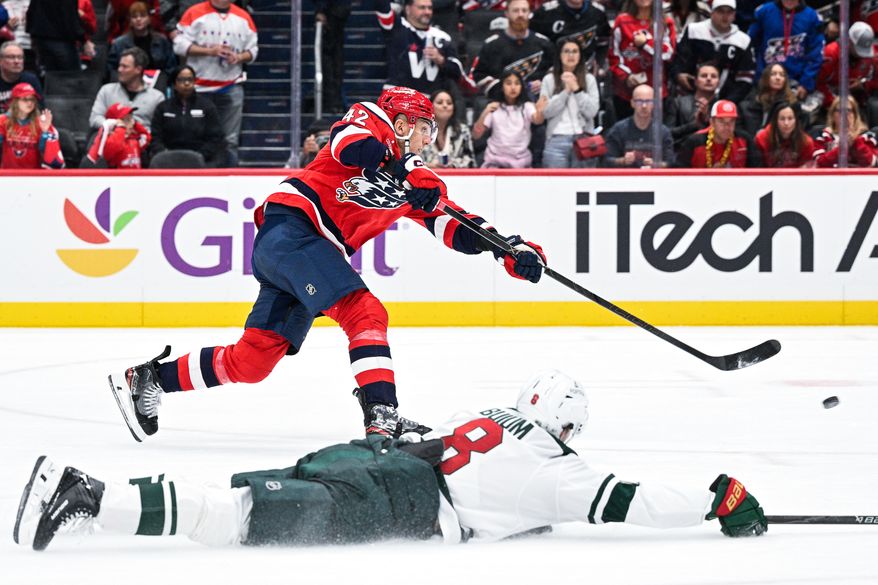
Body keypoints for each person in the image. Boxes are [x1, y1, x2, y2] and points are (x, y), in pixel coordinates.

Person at [106, 86, 547, 442]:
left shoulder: (415, 184)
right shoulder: (368, 120)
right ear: (401, 122)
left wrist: (510, 249)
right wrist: (405, 170)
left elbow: (455, 226)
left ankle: (152, 378)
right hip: (292, 229)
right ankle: (382, 414)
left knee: (253, 361)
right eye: (424, 130)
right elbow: (348, 144)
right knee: (365, 312)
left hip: (302, 253)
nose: (428, 140)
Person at [15, 370, 768, 551]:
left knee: (239, 497)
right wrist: (717, 496)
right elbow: (630, 499)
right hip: (400, 496)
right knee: (239, 514)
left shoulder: (486, 413)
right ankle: (90, 494)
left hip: (372, 456)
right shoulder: (559, 468)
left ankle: (98, 495)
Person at [173, 0, 259, 167]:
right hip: (198, 88)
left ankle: (230, 175)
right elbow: (179, 45)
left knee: (230, 139)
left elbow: (253, 50)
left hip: (231, 85)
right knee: (196, 136)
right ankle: (197, 174)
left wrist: (239, 57)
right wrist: (209, 51)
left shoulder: (244, 17)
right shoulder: (194, 12)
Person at [376, 0, 473, 97]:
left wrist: (441, 60)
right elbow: (382, 8)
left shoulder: (442, 37)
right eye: (422, 8)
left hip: (429, 100)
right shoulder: (396, 27)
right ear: (408, 9)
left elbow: (457, 73)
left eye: (430, 8)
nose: (427, 12)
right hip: (398, 97)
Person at [671, 0, 755, 104]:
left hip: (726, 101)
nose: (725, 16)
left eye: (729, 12)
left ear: (734, 15)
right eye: (720, 11)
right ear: (712, 13)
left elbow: (745, 77)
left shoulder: (743, 40)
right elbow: (679, 58)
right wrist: (678, 74)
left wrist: (729, 101)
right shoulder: (694, 30)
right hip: (690, 96)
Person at [470, 0, 556, 100]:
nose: (520, 14)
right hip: (501, 102)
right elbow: (479, 75)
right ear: (507, 13)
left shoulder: (544, 43)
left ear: (529, 13)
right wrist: (503, 88)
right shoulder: (491, 45)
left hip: (538, 103)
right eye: (516, 11)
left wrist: (544, 83)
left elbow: (555, 71)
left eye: (524, 11)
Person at [608, 0, 676, 120]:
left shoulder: (665, 22)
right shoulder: (622, 21)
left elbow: (668, 54)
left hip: (657, 92)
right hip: (626, 94)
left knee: (656, 135)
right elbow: (614, 57)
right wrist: (626, 76)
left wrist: (646, 43)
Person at [537, 38, 600, 168]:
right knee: (556, 185)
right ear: (559, 55)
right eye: (566, 51)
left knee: (582, 185)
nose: (571, 55)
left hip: (584, 139)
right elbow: (546, 112)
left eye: (575, 51)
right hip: (556, 139)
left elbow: (592, 111)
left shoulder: (589, 79)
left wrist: (577, 90)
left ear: (580, 56)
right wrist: (565, 91)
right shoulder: (549, 80)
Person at [149, 64, 227, 167]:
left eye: (190, 80)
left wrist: (201, 155)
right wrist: (163, 153)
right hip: (168, 158)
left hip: (201, 158)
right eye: (181, 80)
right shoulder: (163, 108)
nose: (186, 83)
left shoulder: (207, 106)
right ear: (174, 83)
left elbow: (215, 136)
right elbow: (155, 136)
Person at [748, 0, 824, 105]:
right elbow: (752, 46)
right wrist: (760, 77)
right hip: (764, 81)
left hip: (796, 84)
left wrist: (806, 83)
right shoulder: (764, 11)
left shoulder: (812, 17)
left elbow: (815, 53)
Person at [473, 70, 545, 167]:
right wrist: (485, 113)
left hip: (521, 162)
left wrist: (540, 110)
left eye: (517, 83)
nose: (513, 87)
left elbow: (537, 120)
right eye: (508, 83)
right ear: (502, 87)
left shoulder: (527, 106)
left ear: (521, 87)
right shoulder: (494, 107)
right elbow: (476, 135)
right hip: (494, 162)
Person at [815, 21, 878, 122]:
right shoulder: (830, 54)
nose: (862, 55)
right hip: (830, 103)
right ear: (849, 41)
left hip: (857, 102)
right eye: (858, 49)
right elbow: (817, 82)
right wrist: (834, 103)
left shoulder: (873, 54)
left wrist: (864, 85)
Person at [90, 47, 164, 131]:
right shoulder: (107, 90)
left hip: (143, 140)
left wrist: (138, 132)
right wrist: (113, 124)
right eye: (119, 66)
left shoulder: (157, 97)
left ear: (138, 69)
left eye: (125, 67)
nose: (119, 69)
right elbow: (95, 118)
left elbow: (159, 129)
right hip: (112, 138)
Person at [603, 83, 674, 168]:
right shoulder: (618, 130)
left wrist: (656, 164)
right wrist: (623, 161)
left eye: (648, 101)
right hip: (626, 179)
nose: (644, 106)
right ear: (632, 103)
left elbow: (671, 164)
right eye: (639, 101)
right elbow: (606, 161)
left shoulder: (663, 132)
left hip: (654, 179)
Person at [677, 98, 762, 167]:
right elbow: (678, 172)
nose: (727, 126)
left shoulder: (744, 140)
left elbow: (758, 169)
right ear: (712, 122)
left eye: (731, 121)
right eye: (721, 121)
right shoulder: (695, 142)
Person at [107, 1, 177, 82]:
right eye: (134, 17)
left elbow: (170, 68)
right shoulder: (119, 44)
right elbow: (112, 70)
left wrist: (161, 81)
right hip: (127, 83)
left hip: (156, 84)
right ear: (130, 20)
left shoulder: (162, 41)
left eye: (142, 16)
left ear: (149, 19)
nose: (138, 19)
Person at [0, 81, 63, 168]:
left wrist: (45, 132)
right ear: (15, 101)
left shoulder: (42, 122)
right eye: (25, 99)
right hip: (7, 176)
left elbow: (53, 161)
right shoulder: (3, 121)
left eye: (32, 99)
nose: (30, 103)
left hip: (33, 176)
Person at [530, 0, 612, 67]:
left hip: (587, 69)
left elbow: (604, 41)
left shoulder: (598, 12)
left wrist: (599, 62)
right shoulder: (545, 12)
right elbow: (533, 41)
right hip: (555, 70)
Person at [813, 96, 878, 168]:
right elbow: (818, 164)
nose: (845, 115)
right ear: (833, 115)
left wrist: (856, 142)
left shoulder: (867, 136)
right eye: (840, 111)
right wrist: (842, 148)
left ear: (855, 115)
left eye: (849, 110)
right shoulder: (823, 136)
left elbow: (872, 163)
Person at [419, 89, 476, 168]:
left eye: (449, 103)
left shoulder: (463, 130)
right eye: (440, 102)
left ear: (453, 109)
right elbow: (411, 161)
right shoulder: (419, 131)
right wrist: (430, 166)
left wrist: (451, 165)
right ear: (430, 107)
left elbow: (471, 162)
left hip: (456, 178)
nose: (445, 105)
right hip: (425, 177)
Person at [665, 61, 717, 147]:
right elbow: (667, 133)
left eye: (713, 76)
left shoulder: (722, 105)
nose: (709, 79)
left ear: (718, 82)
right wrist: (694, 125)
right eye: (704, 76)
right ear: (695, 81)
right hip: (682, 151)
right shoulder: (678, 102)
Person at [739, 62, 796, 136]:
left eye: (782, 75)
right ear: (766, 78)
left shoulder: (792, 104)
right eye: (773, 74)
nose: (778, 78)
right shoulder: (750, 103)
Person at [86, 102, 151, 168]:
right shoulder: (108, 141)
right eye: (127, 120)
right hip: (118, 177)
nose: (131, 123)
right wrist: (120, 128)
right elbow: (114, 146)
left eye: (131, 119)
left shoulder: (134, 140)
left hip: (135, 177)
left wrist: (136, 124)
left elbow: (146, 137)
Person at [25, 0, 84, 71]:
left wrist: (32, 35)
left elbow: (31, 13)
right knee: (71, 76)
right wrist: (84, 39)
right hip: (62, 40)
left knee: (49, 75)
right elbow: (70, 17)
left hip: (41, 39)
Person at [753, 100, 814, 167]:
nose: (786, 123)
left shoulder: (806, 142)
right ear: (775, 121)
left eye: (790, 118)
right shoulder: (761, 138)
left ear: (796, 121)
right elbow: (757, 168)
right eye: (782, 119)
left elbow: (806, 170)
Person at [315, 0, 351, 113]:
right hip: (333, 12)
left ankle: (335, 102)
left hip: (335, 13)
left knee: (334, 60)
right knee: (331, 60)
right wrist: (321, 9)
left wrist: (321, 9)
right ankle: (333, 102)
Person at [0, 40, 41, 114]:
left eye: (20, 57)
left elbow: (40, 110)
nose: (16, 61)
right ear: (1, 61)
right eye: (11, 57)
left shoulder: (31, 80)